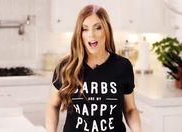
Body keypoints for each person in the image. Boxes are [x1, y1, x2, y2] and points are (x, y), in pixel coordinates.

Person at [46, 4, 142, 132]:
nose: (91, 34)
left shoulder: (123, 66)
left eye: (98, 28)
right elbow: (53, 105)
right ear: (79, 34)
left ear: (106, 30)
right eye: (85, 29)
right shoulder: (66, 67)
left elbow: (130, 109)